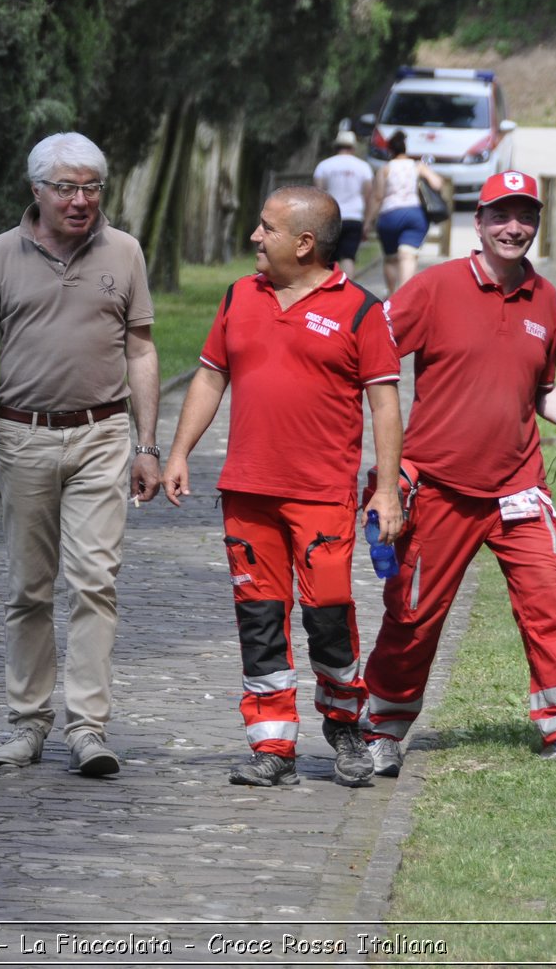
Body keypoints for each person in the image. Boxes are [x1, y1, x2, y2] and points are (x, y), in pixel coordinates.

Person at [359, 170, 556, 776]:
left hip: (519, 484)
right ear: (479, 222)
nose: (514, 228)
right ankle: (383, 731)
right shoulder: (435, 287)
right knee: (413, 616)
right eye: (501, 215)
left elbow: (541, 388)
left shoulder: (545, 298)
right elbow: (371, 352)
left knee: (550, 603)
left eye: (525, 217)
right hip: (440, 487)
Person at [161, 186, 403, 788]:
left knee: (328, 618)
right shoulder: (239, 295)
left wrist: (388, 489)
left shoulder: (361, 312)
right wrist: (179, 453)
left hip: (321, 497)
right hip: (247, 493)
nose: (253, 238)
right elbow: (211, 378)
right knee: (260, 620)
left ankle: (345, 727)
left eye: (264, 228)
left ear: (304, 242)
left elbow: (385, 405)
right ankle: (272, 746)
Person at [0, 132, 161, 778]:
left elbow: (143, 350)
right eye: (66, 188)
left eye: (91, 187)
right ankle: (27, 720)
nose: (80, 200)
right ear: (36, 190)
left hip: (102, 434)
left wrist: (145, 444)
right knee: (28, 586)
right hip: (24, 434)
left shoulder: (123, 251)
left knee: (96, 580)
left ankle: (89, 726)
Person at [364, 129, 448, 294]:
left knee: (390, 259)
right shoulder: (417, 166)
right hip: (414, 214)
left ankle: (391, 293)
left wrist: (367, 221)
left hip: (389, 215)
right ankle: (405, 295)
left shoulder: (385, 169)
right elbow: (437, 183)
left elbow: (378, 197)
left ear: (390, 150)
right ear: (405, 148)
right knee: (408, 255)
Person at [311, 129, 374, 275]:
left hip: (331, 217)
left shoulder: (324, 166)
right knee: (349, 257)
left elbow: (317, 195)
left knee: (328, 258)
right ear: (353, 147)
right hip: (354, 217)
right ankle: (349, 290)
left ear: (336, 146)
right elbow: (368, 195)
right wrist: (368, 221)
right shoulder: (363, 167)